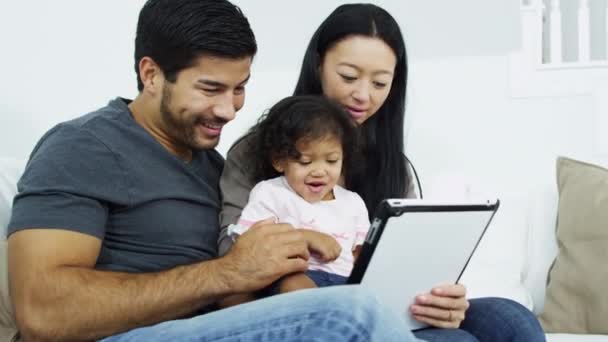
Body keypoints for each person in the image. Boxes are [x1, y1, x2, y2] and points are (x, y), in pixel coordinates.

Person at [5, 1, 421, 341]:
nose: (228, 109)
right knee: (353, 313)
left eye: (239, 88)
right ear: (151, 75)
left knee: (478, 320)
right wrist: (226, 273)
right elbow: (43, 312)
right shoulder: (82, 147)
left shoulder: (212, 166)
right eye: (210, 88)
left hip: (213, 326)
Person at [218, 3, 546, 342]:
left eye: (380, 83)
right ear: (318, 65)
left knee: (511, 319)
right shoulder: (257, 152)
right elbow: (233, 260)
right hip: (302, 299)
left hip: (381, 301)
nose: (363, 95)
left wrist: (440, 298)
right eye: (348, 77)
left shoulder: (392, 166)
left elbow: (407, 265)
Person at [229, 95, 369, 295]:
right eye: (305, 162)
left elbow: (360, 254)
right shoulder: (270, 193)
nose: (320, 171)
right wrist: (304, 237)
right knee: (294, 285)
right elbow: (250, 243)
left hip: (344, 283)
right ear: (279, 161)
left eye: (331, 161)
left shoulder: (353, 202)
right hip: (293, 274)